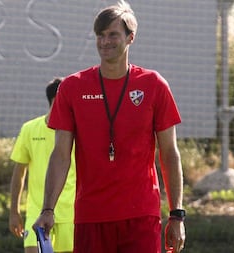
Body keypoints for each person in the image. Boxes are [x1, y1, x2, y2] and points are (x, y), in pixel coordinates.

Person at [33, 1, 186, 252]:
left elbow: (169, 153)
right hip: (91, 215)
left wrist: (177, 214)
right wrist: (48, 209)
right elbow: (61, 154)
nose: (105, 41)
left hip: (141, 215)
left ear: (130, 38)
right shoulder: (72, 87)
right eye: (100, 35)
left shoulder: (153, 85)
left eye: (113, 34)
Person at [9, 77, 76, 253]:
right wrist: (14, 211)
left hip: (71, 215)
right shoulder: (29, 129)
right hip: (37, 213)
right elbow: (19, 173)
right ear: (53, 101)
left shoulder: (79, 132)